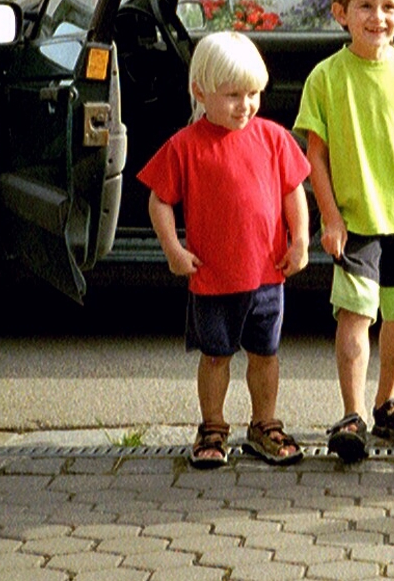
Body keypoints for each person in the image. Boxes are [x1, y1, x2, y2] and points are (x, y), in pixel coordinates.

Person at [294, 0, 394, 464]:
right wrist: (330, 216)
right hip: (357, 222)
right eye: (364, 6)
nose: (376, 16)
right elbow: (315, 155)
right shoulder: (327, 77)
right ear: (341, 13)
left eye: (387, 7)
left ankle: (386, 402)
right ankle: (352, 413)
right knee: (356, 315)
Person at [137, 30, 311, 469]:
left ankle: (264, 423)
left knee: (265, 354)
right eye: (233, 94)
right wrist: (174, 250)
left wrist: (301, 240)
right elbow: (159, 199)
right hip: (213, 278)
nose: (245, 105)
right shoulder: (185, 145)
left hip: (268, 275)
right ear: (200, 91)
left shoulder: (273, 138)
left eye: (253, 93)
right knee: (216, 357)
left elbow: (294, 192)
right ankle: (212, 426)